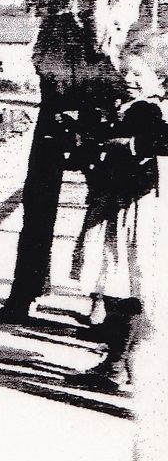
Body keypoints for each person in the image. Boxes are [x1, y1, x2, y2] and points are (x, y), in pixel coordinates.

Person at [2, 0, 145, 323]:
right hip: (59, 103)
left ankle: (102, 298)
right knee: (38, 197)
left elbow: (106, 42)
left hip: (104, 107)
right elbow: (43, 47)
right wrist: (52, 77)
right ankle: (27, 290)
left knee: (104, 199)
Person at [68, 36, 168, 388]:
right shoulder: (123, 107)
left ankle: (118, 363)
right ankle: (118, 360)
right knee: (115, 284)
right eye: (124, 72)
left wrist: (124, 146)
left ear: (159, 76)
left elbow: (155, 144)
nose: (129, 79)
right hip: (112, 205)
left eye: (138, 74)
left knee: (126, 284)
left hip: (136, 210)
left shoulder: (151, 110)